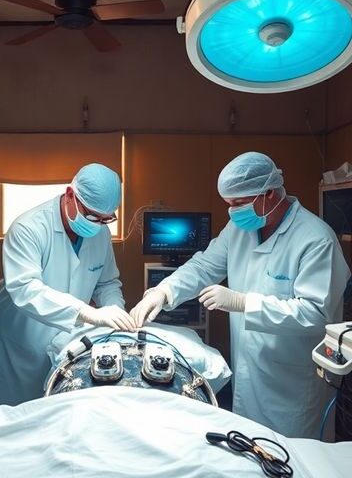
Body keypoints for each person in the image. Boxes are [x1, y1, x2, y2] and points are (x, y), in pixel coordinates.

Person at [131, 151, 350, 438]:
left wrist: (244, 302)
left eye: (239, 203)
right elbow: (204, 266)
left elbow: (316, 314)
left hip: (293, 386)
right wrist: (164, 291)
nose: (232, 211)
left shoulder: (315, 239)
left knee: (294, 459)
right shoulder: (239, 229)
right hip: (248, 377)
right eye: (229, 204)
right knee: (249, 452)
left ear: (269, 193)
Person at [0, 163, 136, 405]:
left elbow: (107, 282)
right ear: (70, 195)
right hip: (23, 345)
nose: (97, 224)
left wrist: (115, 312)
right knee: (16, 417)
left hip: (69, 344)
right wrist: (86, 312)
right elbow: (26, 289)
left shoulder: (100, 232)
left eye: (105, 219)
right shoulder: (29, 228)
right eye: (91, 216)